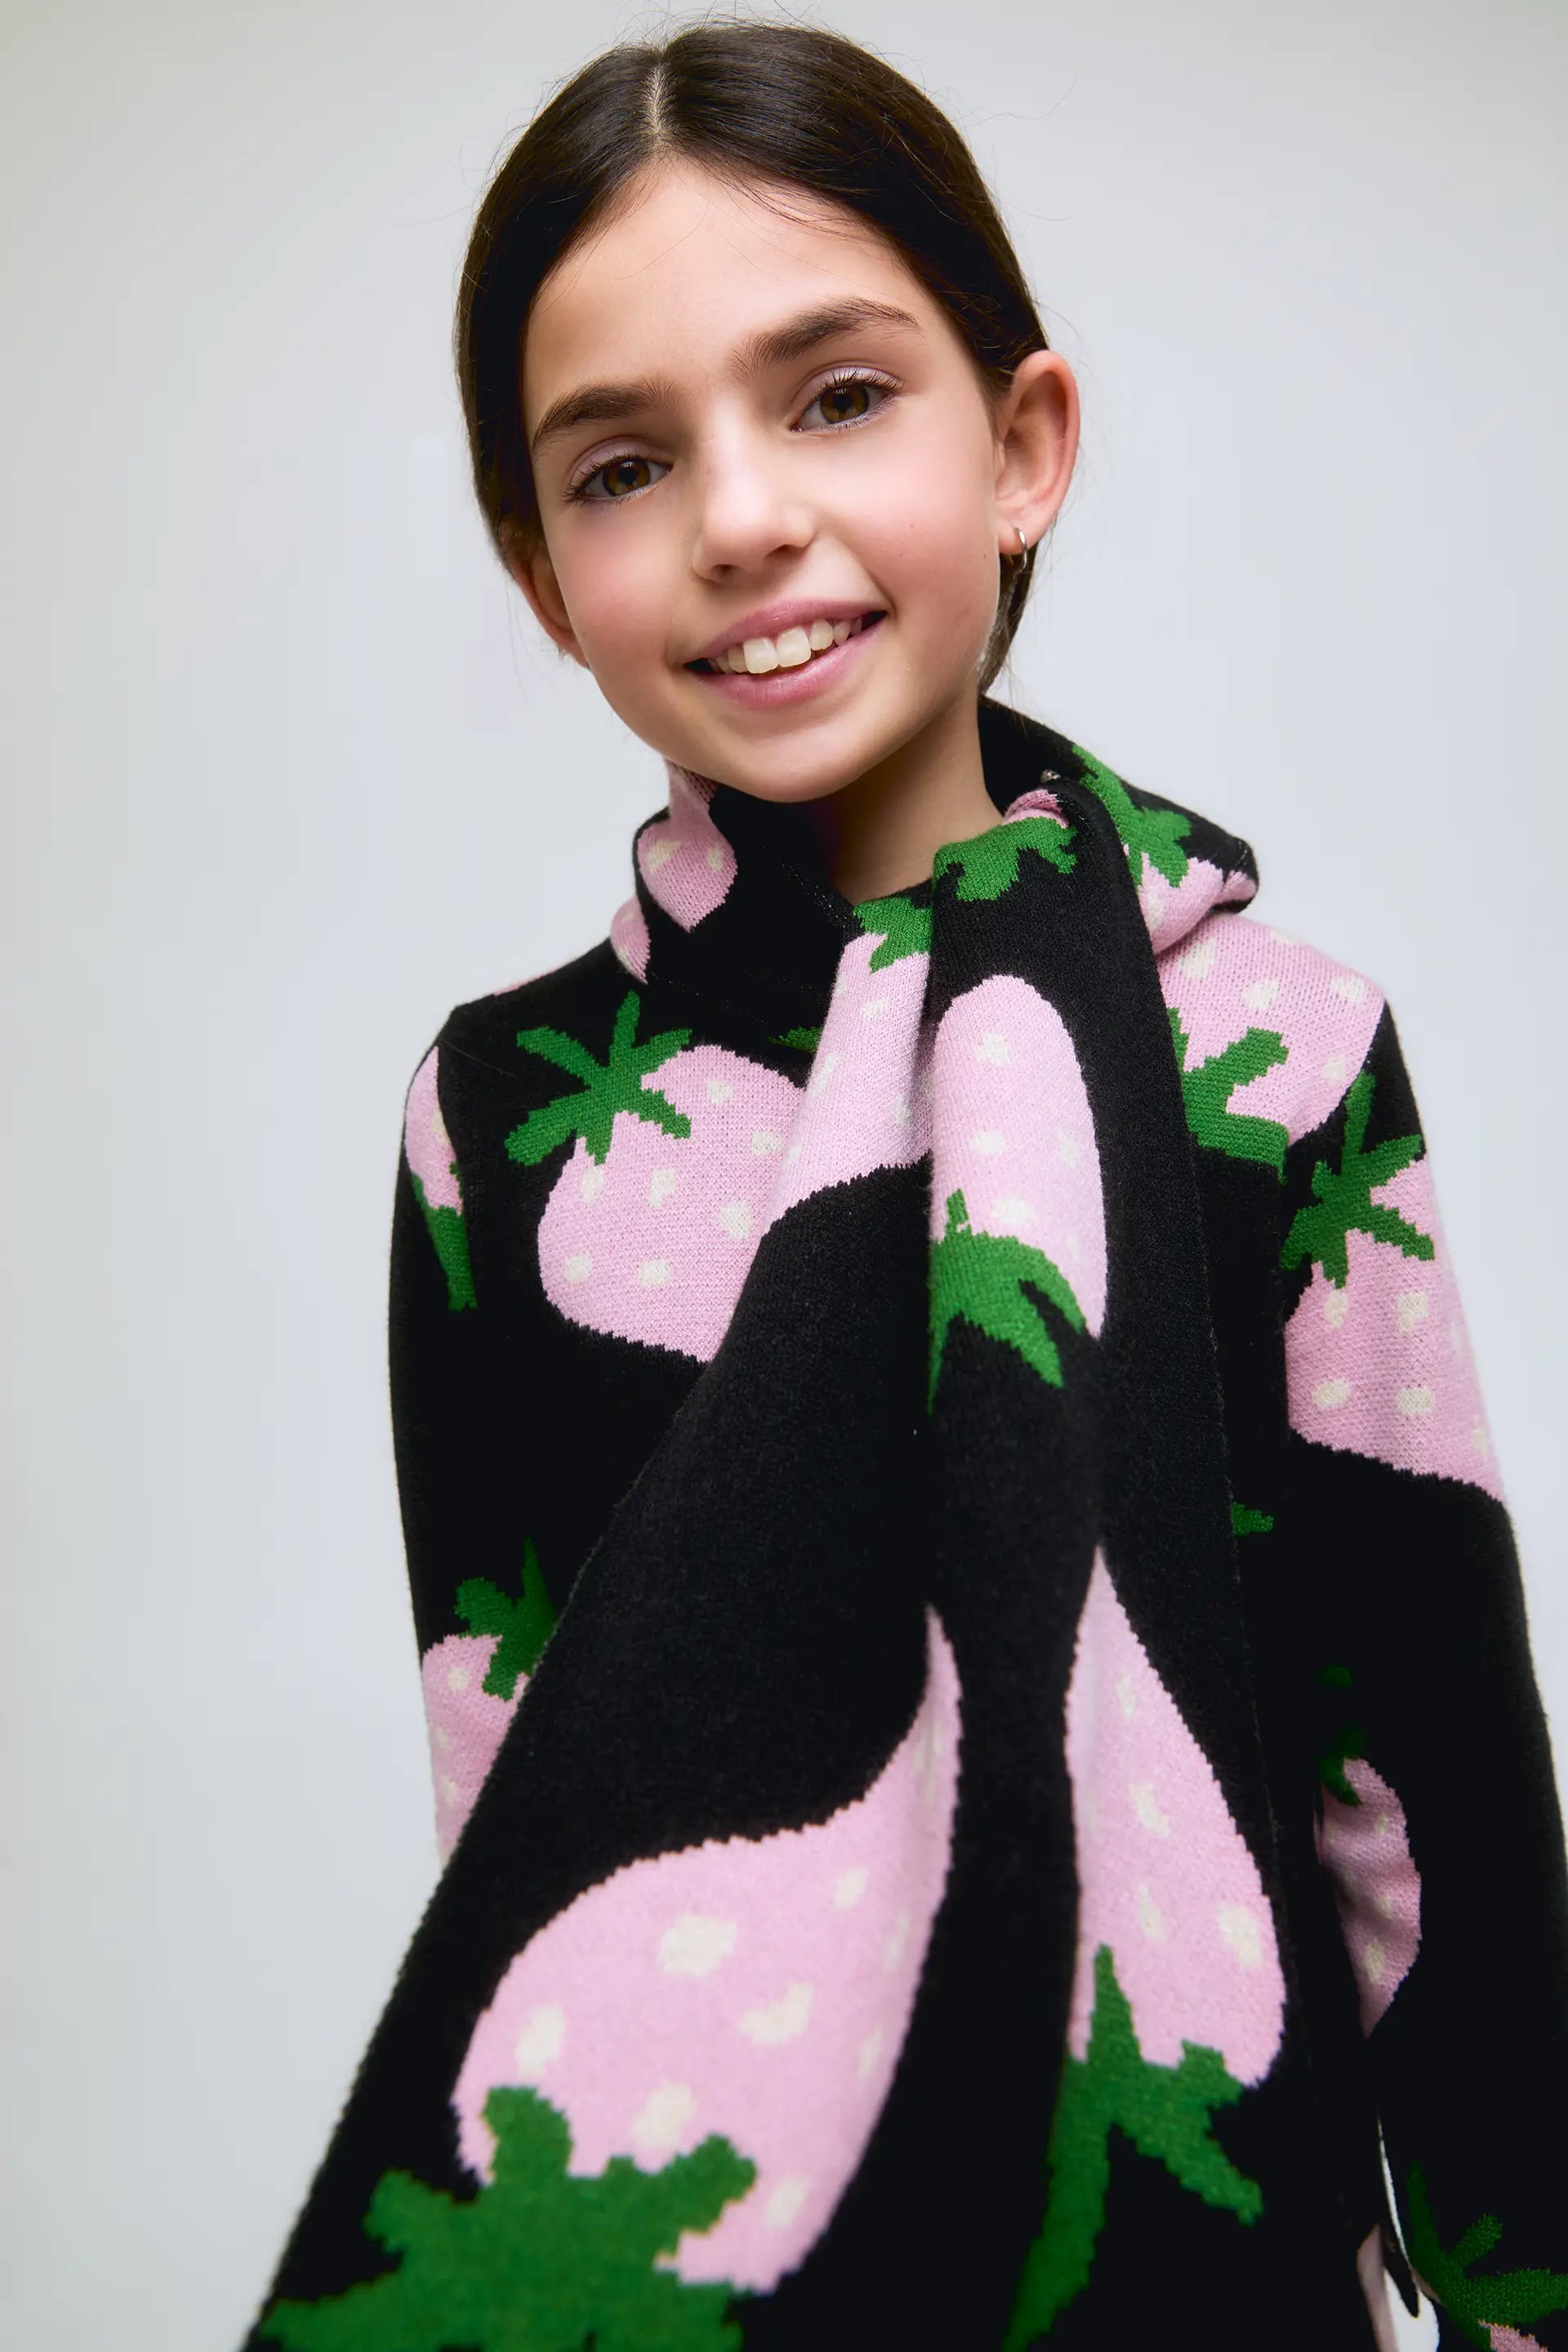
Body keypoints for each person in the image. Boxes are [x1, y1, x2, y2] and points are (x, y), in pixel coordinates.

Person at [246, 24, 1567, 2350]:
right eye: (625, 464)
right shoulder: (504, 1121)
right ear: (545, 574)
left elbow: (1427, 1793)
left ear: (1022, 445)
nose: (743, 518)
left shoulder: (1274, 1060)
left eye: (838, 396)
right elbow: (518, 1799)